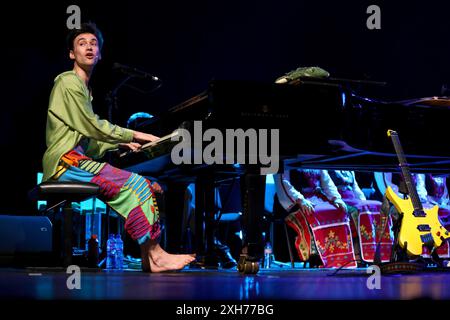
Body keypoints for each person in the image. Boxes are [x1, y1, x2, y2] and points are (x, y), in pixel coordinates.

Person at [41, 22, 195, 272]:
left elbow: (87, 140)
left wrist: (121, 142)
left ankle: (149, 259)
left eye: (94, 43)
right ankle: (156, 254)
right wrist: (137, 133)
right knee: (137, 185)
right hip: (66, 163)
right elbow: (92, 125)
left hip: (74, 160)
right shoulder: (68, 82)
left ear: (100, 53)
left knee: (141, 185)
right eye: (82, 44)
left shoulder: (83, 89)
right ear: (72, 54)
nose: (89, 47)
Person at [274, 169, 357, 268]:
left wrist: (336, 198)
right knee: (313, 212)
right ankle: (317, 258)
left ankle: (340, 259)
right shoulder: (286, 159)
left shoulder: (316, 157)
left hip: (316, 197)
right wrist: (300, 200)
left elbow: (327, 182)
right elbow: (284, 183)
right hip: (295, 200)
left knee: (340, 211)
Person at [329, 170, 394, 263]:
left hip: (353, 198)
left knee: (378, 206)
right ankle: (359, 254)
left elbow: (355, 188)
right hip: (341, 199)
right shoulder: (329, 169)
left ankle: (382, 251)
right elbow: (328, 188)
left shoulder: (349, 170)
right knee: (356, 212)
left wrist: (364, 201)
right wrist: (337, 199)